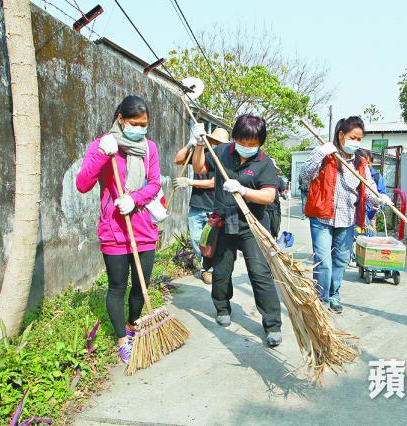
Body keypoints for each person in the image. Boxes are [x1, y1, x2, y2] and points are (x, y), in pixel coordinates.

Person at [76, 95, 161, 363]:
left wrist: (134, 199)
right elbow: (82, 184)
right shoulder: (103, 144)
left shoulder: (149, 148)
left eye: (144, 124)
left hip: (143, 228)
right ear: (121, 120)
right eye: (134, 123)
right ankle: (122, 340)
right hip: (114, 229)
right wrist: (103, 154)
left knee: (141, 284)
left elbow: (155, 183)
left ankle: (132, 325)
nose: (140, 128)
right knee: (117, 286)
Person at [191, 114, 283, 347]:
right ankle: (222, 308)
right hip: (223, 221)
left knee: (259, 273)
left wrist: (243, 190)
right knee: (221, 271)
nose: (247, 147)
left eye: (253, 143)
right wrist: (200, 144)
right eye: (243, 141)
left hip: (252, 224)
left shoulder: (264, 162)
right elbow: (199, 167)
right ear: (235, 138)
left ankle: (272, 324)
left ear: (260, 143)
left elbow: (269, 195)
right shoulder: (222, 152)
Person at [299, 116, 392, 313]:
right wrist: (320, 153)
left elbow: (369, 189)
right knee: (323, 261)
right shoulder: (325, 154)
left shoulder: (361, 163)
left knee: (341, 260)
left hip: (347, 218)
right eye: (352, 137)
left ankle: (334, 295)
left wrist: (380, 198)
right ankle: (321, 299)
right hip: (322, 217)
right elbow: (304, 175)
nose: (355, 142)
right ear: (341, 135)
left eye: (359, 139)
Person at [173, 127, 230, 285]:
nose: (215, 145)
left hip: (214, 207)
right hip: (197, 205)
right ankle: (207, 266)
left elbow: (214, 183)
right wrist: (189, 145)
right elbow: (178, 160)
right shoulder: (200, 154)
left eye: (219, 143)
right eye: (214, 141)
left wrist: (190, 182)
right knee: (196, 240)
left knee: (211, 241)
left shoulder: (224, 161)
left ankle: (209, 269)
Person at [355, 149, 387, 237]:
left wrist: (378, 205)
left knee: (371, 238)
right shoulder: (355, 174)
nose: (366, 165)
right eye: (364, 162)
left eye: (368, 163)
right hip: (356, 215)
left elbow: (381, 194)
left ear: (372, 163)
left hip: (370, 216)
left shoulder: (376, 176)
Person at [266, 159, 286, 239]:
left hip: (275, 208)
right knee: (264, 230)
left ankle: (274, 241)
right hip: (262, 208)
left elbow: (282, 192)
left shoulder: (278, 179)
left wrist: (285, 195)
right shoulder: (259, 178)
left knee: (275, 228)